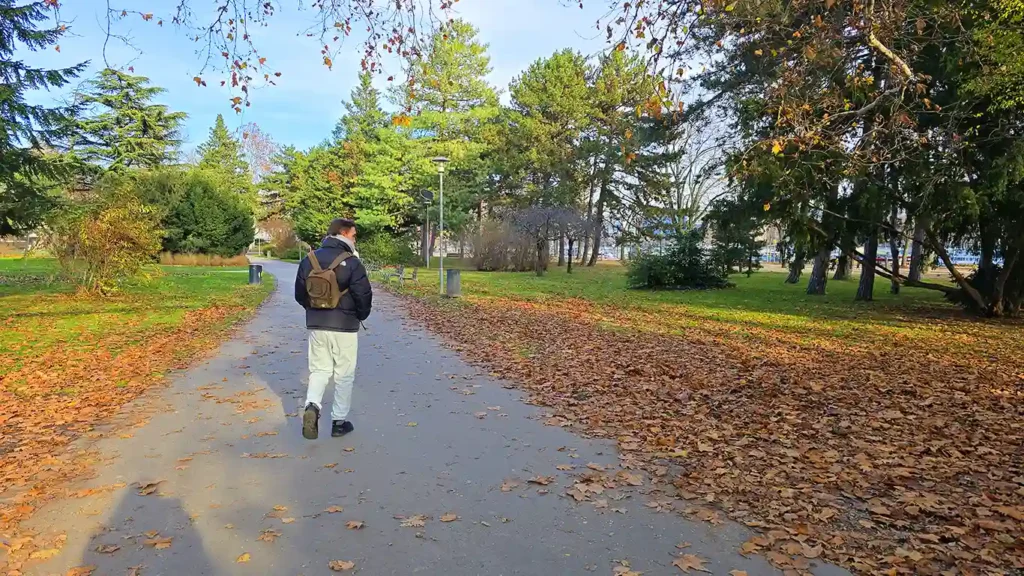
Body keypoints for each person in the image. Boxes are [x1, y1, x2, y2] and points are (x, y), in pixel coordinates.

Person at [294, 218, 372, 439]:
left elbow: (300, 294)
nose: (355, 239)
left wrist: (314, 310)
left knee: (319, 370)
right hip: (345, 326)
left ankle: (312, 406)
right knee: (344, 375)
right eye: (353, 235)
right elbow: (363, 294)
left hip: (317, 325)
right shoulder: (352, 262)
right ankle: (339, 422)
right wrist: (360, 316)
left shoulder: (309, 259)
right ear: (344, 234)